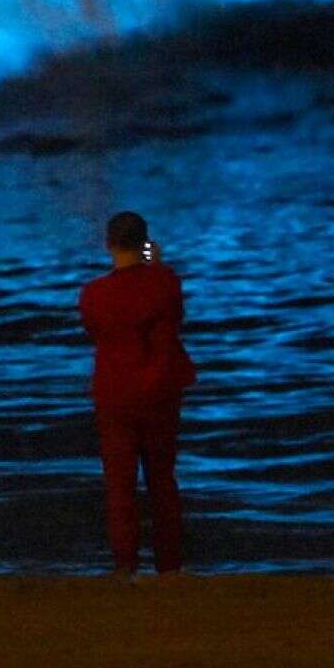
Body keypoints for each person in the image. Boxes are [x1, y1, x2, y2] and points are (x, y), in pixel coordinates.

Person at [78, 211, 197, 577]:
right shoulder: (166, 283)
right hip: (160, 390)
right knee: (162, 482)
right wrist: (155, 264)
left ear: (109, 244)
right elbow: (176, 316)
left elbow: (96, 333)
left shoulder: (93, 295)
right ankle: (169, 567)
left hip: (115, 394)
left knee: (120, 486)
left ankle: (125, 566)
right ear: (144, 242)